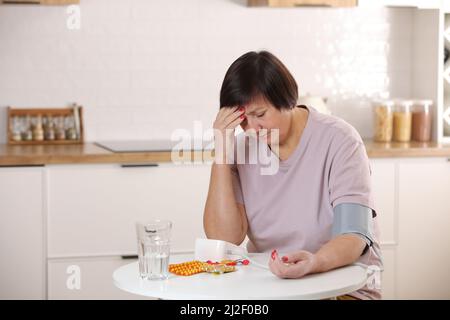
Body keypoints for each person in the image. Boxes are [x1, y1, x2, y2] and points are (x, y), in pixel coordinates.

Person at [203, 51, 383, 299]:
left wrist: (314, 262)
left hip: (343, 285)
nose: (252, 129)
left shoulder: (341, 140)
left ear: (286, 100)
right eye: (243, 121)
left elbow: (353, 236)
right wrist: (222, 152)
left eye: (260, 115)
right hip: (271, 287)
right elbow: (225, 239)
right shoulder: (240, 149)